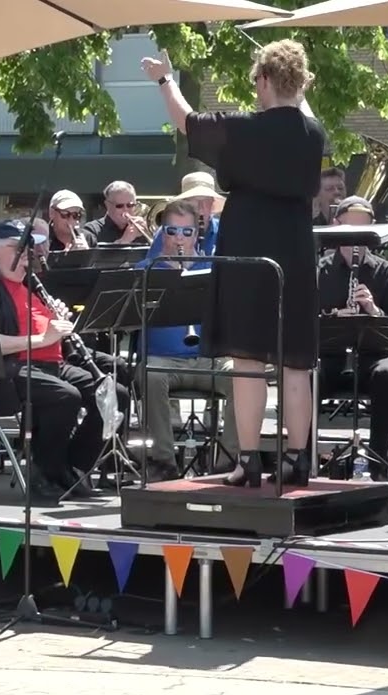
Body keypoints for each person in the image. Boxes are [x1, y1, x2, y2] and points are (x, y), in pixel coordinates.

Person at [144, 39, 326, 488]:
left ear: (263, 80)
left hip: (251, 254)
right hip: (297, 255)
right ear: (300, 83)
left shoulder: (243, 128)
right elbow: (299, 107)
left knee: (247, 361)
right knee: (295, 363)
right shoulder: (313, 132)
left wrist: (165, 79)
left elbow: (186, 120)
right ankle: (299, 461)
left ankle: (249, 462)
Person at [0, 222, 128, 502]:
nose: (26, 255)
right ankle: (44, 469)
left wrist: (58, 322)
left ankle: (69, 466)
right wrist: (41, 339)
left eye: (27, 249)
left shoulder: (34, 284)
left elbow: (52, 335)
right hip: (11, 368)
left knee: (115, 394)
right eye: (17, 248)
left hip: (54, 364)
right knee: (65, 396)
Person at [134, 201, 238, 481]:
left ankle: (227, 462)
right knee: (151, 376)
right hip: (164, 360)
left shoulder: (214, 267)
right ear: (162, 233)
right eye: (172, 230)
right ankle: (164, 461)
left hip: (207, 358)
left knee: (243, 378)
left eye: (186, 231)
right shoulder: (145, 269)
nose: (179, 238)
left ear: (197, 235)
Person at [318, 197, 388, 478]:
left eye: (363, 231)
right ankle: (306, 458)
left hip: (373, 357)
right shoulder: (318, 271)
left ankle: (378, 463)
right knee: (303, 376)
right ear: (336, 227)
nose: (356, 239)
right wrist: (333, 318)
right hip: (331, 356)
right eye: (350, 230)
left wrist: (373, 310)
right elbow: (301, 321)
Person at [149, 172, 224, 257]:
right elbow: (151, 265)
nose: (201, 208)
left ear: (212, 203)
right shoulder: (168, 231)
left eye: (206, 201)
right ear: (184, 203)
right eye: (195, 201)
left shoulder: (225, 231)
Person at [81, 181, 150, 246]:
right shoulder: (92, 230)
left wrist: (150, 232)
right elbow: (93, 257)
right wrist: (124, 240)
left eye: (130, 205)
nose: (125, 209)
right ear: (107, 205)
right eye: (119, 206)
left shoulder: (140, 228)